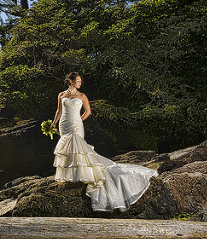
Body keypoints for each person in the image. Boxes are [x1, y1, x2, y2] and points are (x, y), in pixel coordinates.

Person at [51, 72, 158, 212]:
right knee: (68, 149)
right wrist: (54, 123)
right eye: (77, 81)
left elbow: (88, 112)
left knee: (80, 148)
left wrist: (78, 120)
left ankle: (84, 174)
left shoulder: (82, 96)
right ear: (70, 81)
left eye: (80, 81)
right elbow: (59, 110)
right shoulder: (61, 95)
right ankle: (73, 175)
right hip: (64, 125)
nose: (79, 83)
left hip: (76, 125)